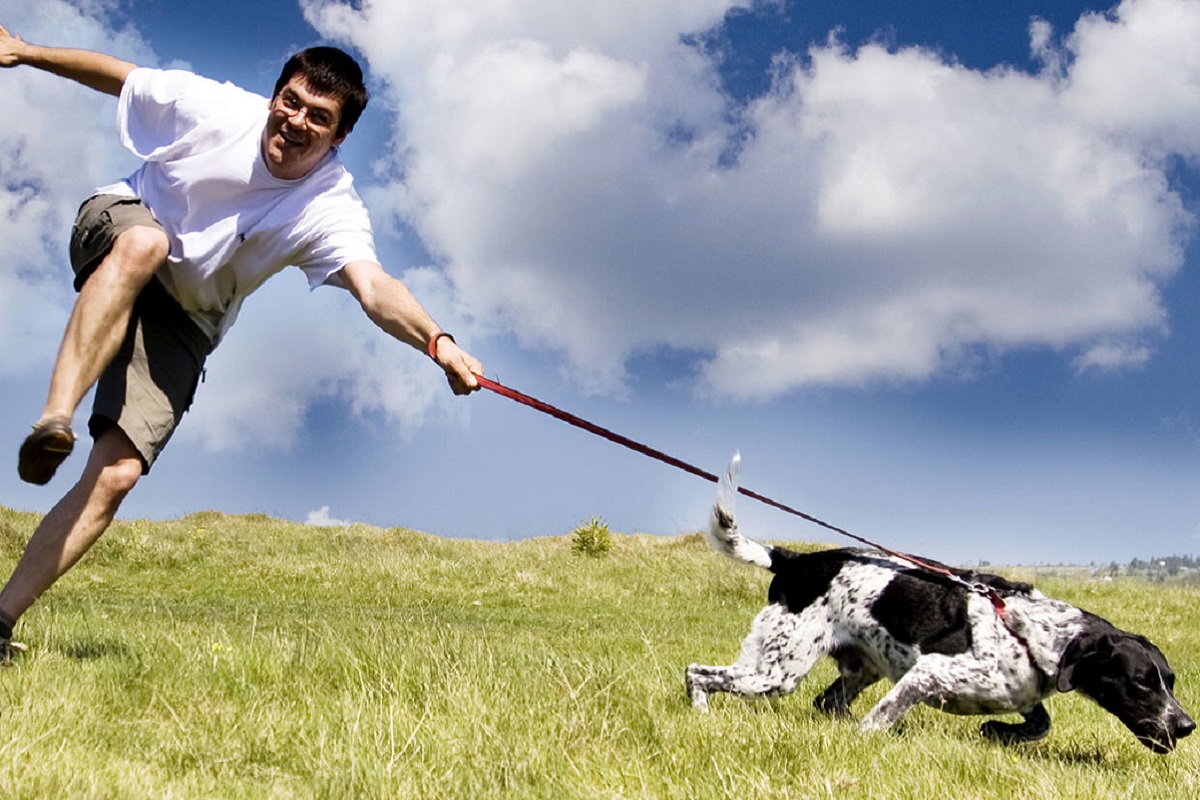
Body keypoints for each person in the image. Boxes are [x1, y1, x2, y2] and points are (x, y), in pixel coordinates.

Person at [0, 23, 483, 661]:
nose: (296, 121)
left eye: (319, 117)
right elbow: (121, 76)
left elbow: (372, 285)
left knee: (117, 474)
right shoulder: (216, 108)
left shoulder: (330, 205)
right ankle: (54, 420)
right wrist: (24, 52)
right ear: (274, 95)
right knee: (146, 244)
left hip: (188, 317)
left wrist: (436, 342)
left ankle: (1, 620)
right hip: (122, 225)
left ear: (338, 137)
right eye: (290, 100)